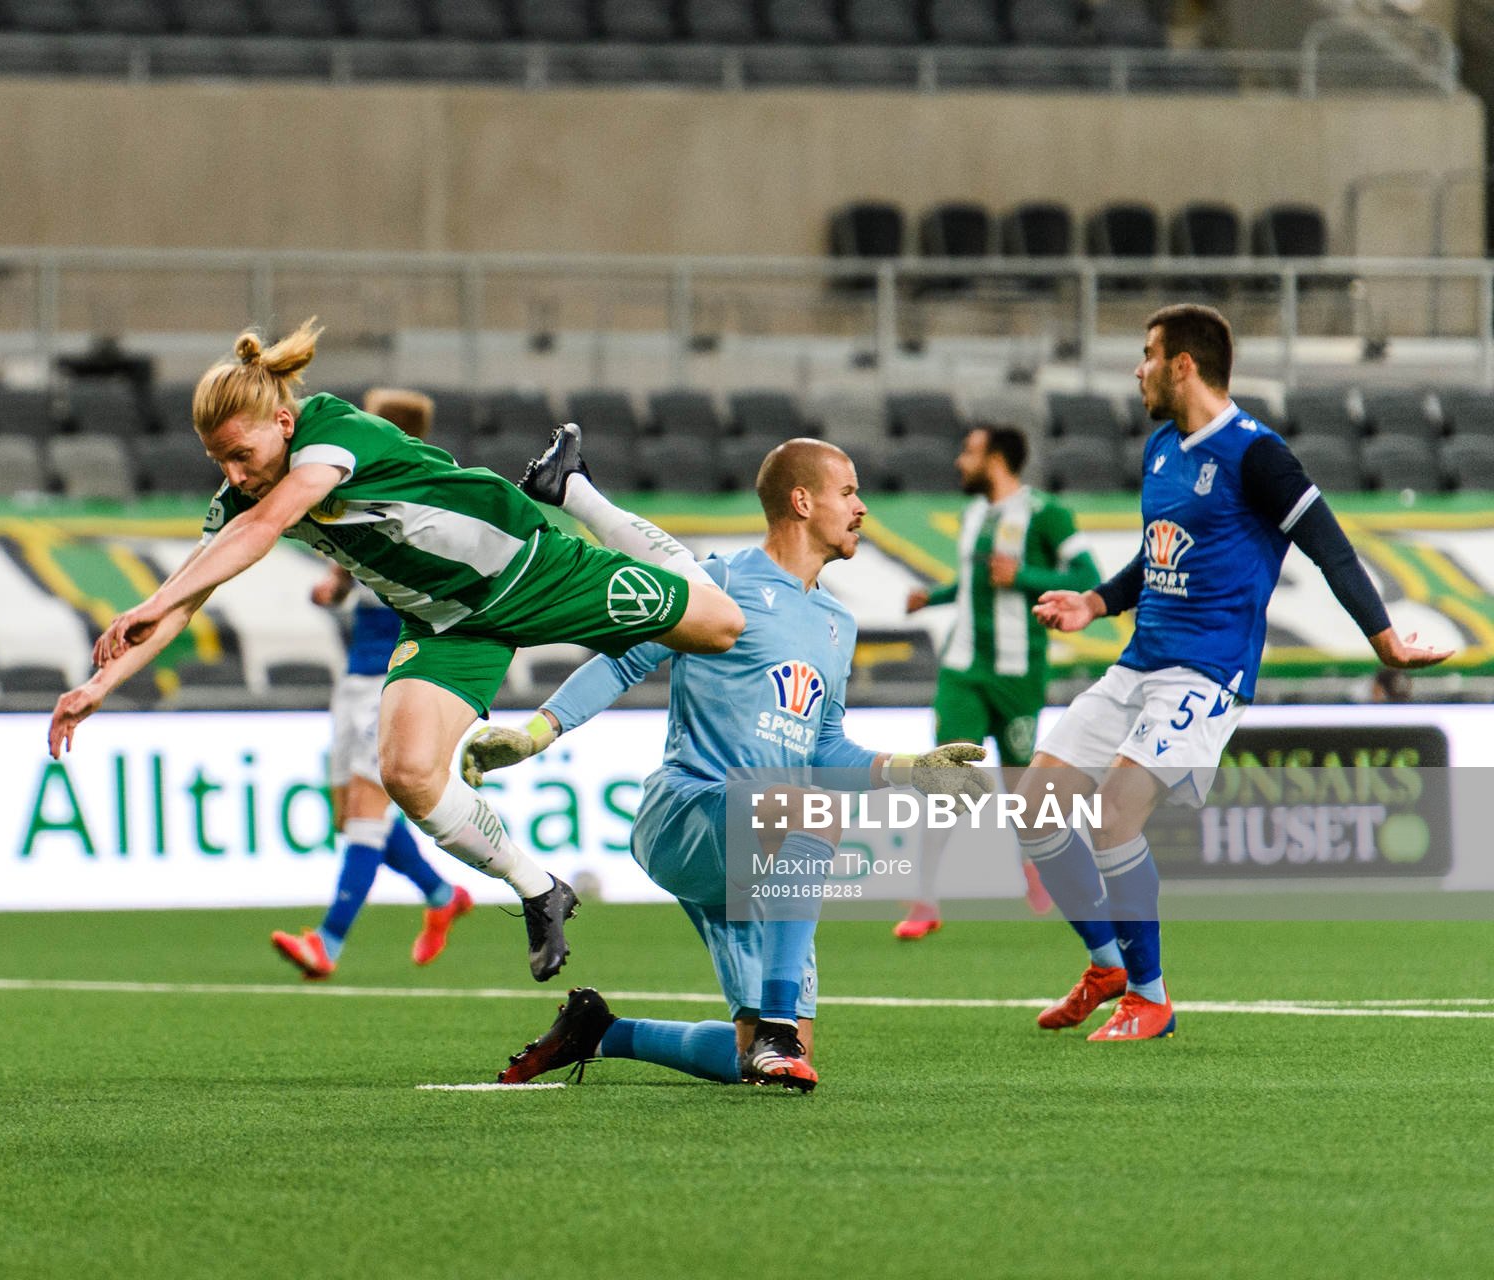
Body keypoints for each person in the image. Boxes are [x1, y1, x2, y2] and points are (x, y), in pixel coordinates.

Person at [49, 320, 745, 983]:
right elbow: (188, 598)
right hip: (445, 622)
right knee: (406, 773)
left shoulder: (331, 433)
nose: (233, 473)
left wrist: (152, 601)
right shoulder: (246, 493)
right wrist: (101, 685)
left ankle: (575, 491)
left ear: (283, 424)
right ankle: (540, 890)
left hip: (530, 570)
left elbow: (262, 529)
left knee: (719, 622)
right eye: (218, 461)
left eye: (242, 454)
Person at [466, 439, 989, 1091]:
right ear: (802, 501)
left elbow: (824, 749)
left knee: (767, 1061)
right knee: (809, 813)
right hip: (689, 813)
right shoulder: (720, 583)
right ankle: (774, 1028)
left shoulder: (837, 622)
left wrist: (911, 768)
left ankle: (600, 1031)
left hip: (769, 850)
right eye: (848, 492)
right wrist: (537, 732)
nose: (861, 507)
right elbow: (625, 658)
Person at [1020, 304, 1449, 1041]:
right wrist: (1094, 602)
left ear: (1183, 364)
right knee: (1034, 810)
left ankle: (1150, 1000)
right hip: (1139, 663)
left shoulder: (1259, 455)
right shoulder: (1162, 446)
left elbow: (1330, 547)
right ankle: (1107, 967)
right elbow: (1158, 555)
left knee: (1115, 817)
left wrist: (1384, 641)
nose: (1138, 369)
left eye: (1148, 354)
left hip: (1205, 674)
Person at [269, 388, 473, 979]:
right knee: (352, 817)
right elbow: (336, 586)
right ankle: (441, 895)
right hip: (353, 678)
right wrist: (331, 589)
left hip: (394, 678)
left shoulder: (421, 505)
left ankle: (327, 942)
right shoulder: (354, 500)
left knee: (365, 809)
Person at [898, 423, 1099, 939]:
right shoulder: (973, 515)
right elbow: (974, 584)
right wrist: (934, 598)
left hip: (1018, 673)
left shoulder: (1046, 513)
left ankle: (1034, 866)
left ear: (997, 459)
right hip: (964, 669)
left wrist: (1025, 577)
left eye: (969, 452)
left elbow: (1086, 579)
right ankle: (924, 900)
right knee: (947, 778)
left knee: (1021, 785)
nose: (959, 462)